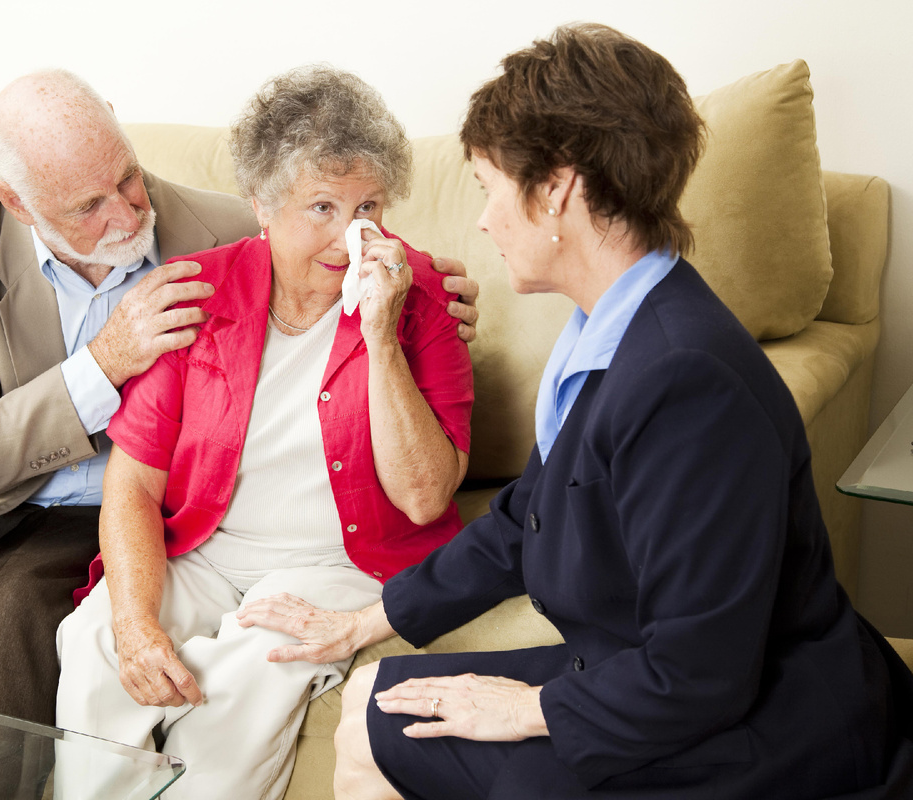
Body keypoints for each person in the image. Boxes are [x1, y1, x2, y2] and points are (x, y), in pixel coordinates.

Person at [237, 24, 913, 799]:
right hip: (647, 671)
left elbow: (701, 671)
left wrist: (527, 709)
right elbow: (526, 518)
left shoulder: (687, 382)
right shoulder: (609, 332)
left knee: (413, 744)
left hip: (756, 720)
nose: (484, 220)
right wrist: (363, 623)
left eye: (490, 187)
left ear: (556, 189)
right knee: (369, 699)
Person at [0, 67, 482, 727]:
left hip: (104, 505)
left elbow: (336, 245)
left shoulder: (224, 228)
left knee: (7, 612)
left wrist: (429, 303)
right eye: (88, 206)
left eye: (127, 179)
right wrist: (103, 363)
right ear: (17, 202)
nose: (126, 217)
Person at [53, 65, 473, 800]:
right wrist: (134, 620)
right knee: (93, 640)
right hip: (208, 552)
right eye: (322, 207)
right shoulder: (195, 292)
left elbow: (423, 497)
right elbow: (134, 481)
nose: (352, 235)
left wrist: (380, 334)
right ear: (262, 205)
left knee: (253, 669)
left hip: (342, 561)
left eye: (368, 206)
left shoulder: (418, 295)